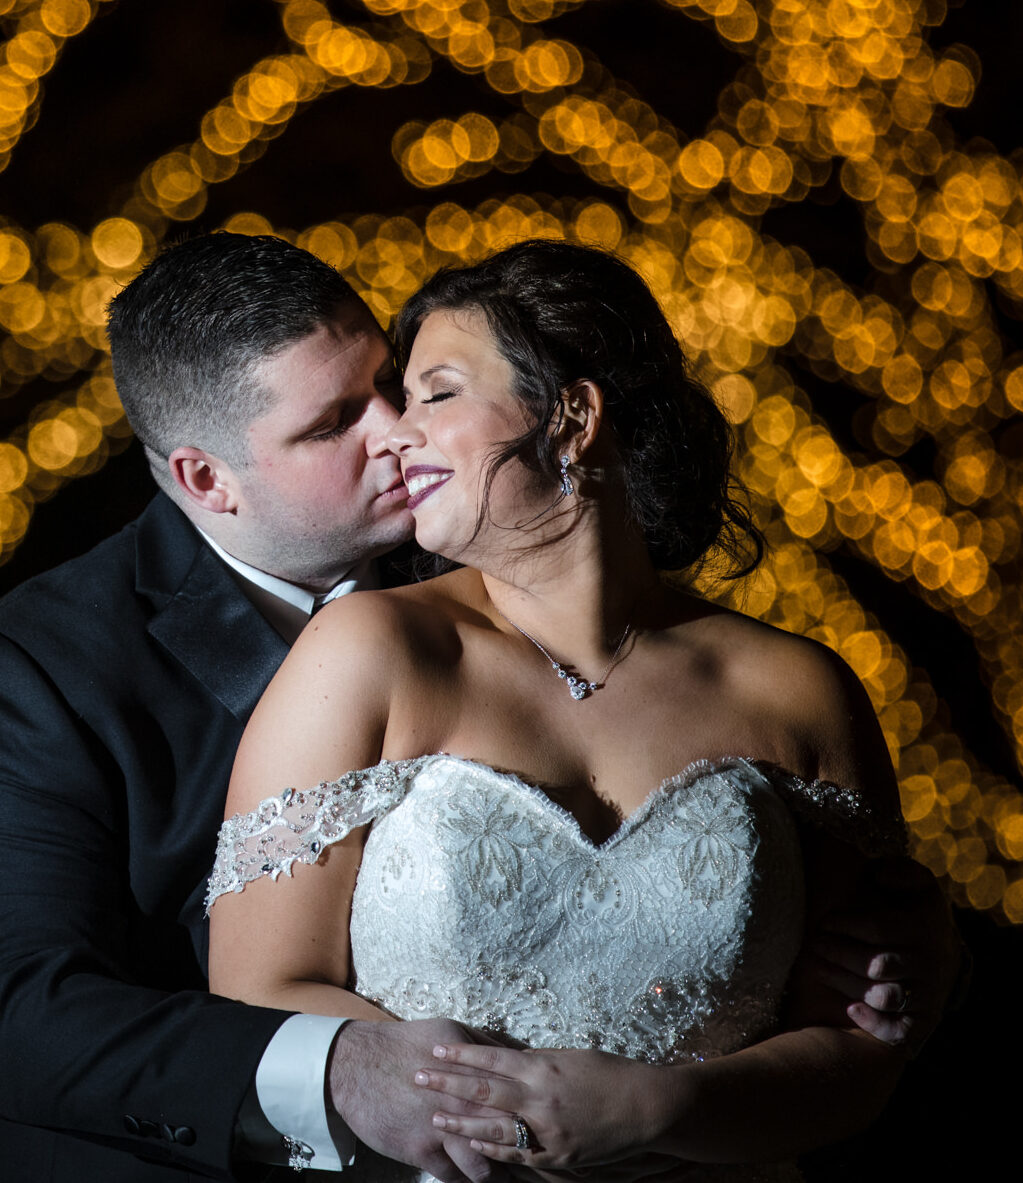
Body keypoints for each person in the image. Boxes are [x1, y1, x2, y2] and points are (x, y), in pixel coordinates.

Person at [0, 232, 953, 1183]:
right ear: (206, 477)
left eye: (399, 387)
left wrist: (893, 956)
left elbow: (848, 1002)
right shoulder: (37, 664)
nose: (394, 433)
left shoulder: (494, 527)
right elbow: (15, 1014)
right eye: (335, 422)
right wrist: (337, 1069)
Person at [207, 239, 935, 1180]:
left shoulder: (797, 691)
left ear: (573, 414)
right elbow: (254, 989)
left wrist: (661, 1106)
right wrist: (510, 1111)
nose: (393, 431)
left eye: (434, 392)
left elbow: (862, 1038)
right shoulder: (369, 655)